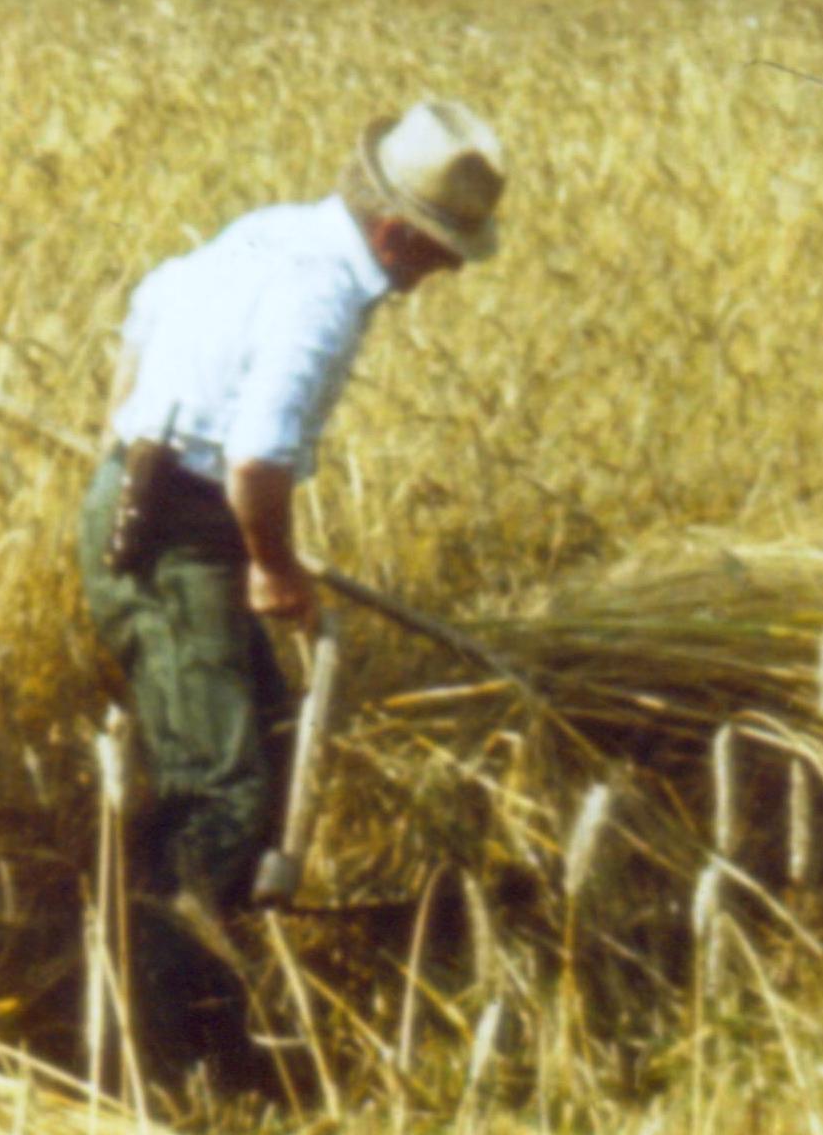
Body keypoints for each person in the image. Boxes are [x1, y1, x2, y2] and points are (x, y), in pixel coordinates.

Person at [77, 98, 506, 1074]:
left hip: (167, 504)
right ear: (398, 232)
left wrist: (126, 433)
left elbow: (148, 306)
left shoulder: (272, 230)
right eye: (441, 248)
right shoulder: (319, 292)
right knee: (218, 795)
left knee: (259, 753)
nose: (441, 271)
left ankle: (207, 1022)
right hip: (175, 537)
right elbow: (261, 455)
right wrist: (270, 564)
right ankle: (145, 1053)